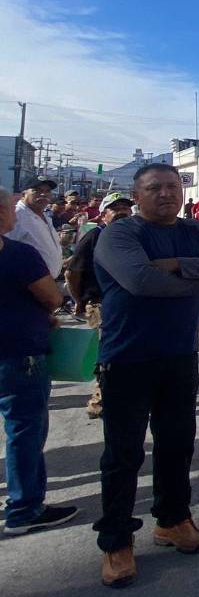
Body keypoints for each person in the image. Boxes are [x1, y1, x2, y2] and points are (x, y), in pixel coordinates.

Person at [91, 164, 199, 587]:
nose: (166, 194)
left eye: (173, 186)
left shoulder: (193, 231)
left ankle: (173, 520)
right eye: (155, 188)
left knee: (176, 443)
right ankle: (116, 542)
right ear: (137, 195)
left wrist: (172, 263)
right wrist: (194, 277)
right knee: (123, 454)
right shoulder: (120, 234)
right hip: (127, 359)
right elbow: (139, 280)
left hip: (179, 355)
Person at [0, 186, 79, 537]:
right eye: (8, 208)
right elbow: (49, 296)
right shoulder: (18, 255)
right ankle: (24, 508)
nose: (14, 213)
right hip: (18, 353)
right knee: (24, 430)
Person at [67, 192, 134, 320]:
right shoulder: (93, 237)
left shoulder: (134, 236)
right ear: (103, 215)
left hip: (127, 301)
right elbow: (72, 273)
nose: (121, 212)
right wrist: (80, 301)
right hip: (100, 304)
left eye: (125, 208)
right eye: (115, 209)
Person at [6, 177, 62, 280]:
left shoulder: (45, 216)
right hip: (27, 283)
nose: (43, 194)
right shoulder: (16, 215)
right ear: (23, 194)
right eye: (37, 190)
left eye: (47, 191)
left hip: (48, 281)